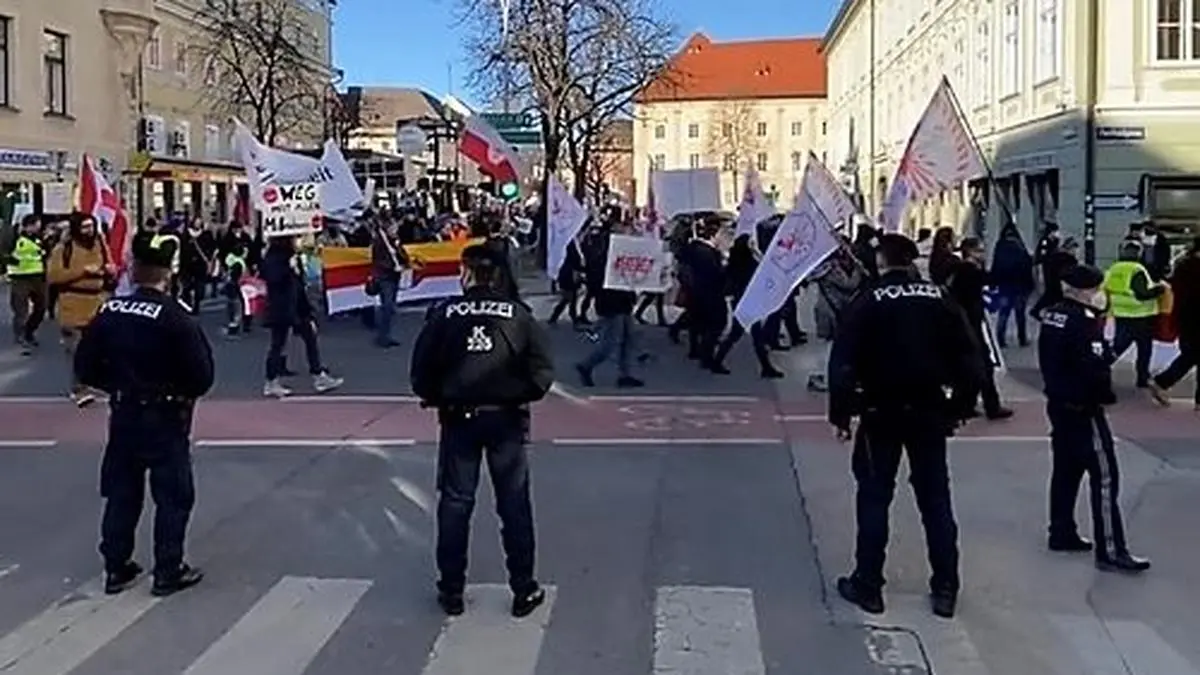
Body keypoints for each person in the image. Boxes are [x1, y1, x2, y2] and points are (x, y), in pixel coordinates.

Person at [828, 233, 982, 619]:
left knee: (875, 496)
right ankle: (945, 588)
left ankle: (868, 585)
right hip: (930, 410)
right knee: (935, 500)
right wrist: (960, 407)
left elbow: (843, 361)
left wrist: (842, 414)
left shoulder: (868, 301)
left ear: (881, 261)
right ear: (913, 261)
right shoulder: (941, 300)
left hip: (881, 411)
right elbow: (970, 357)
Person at [410, 243, 555, 618]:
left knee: (456, 505)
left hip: (459, 419)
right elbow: (542, 374)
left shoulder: (445, 314)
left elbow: (421, 373)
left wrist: (440, 395)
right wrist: (513, 394)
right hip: (506, 420)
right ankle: (524, 589)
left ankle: (452, 591)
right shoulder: (518, 315)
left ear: (468, 273)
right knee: (514, 506)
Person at [73, 233, 213, 597]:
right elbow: (201, 377)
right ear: (168, 272)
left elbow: (85, 368)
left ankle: (116, 567)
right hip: (166, 417)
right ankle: (168, 570)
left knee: (122, 492)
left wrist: (120, 384)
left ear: (133, 270)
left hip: (123, 414)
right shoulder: (176, 317)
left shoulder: (109, 312)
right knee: (173, 495)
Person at [1038, 264, 1151, 574]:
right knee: (1104, 477)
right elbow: (1095, 365)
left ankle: (1061, 531)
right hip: (1084, 409)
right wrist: (1105, 396)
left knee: (1065, 470)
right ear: (1085, 291)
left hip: (1059, 404)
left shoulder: (1053, 315)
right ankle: (1111, 549)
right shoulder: (1084, 323)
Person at [260, 235, 343, 397]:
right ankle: (271, 381)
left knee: (310, 337)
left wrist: (307, 310)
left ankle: (318, 375)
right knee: (277, 344)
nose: (298, 242)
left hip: (297, 307)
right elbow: (272, 277)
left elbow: (298, 285)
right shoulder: (274, 257)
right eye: (295, 239)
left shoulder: (293, 256)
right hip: (281, 308)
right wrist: (287, 267)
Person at [46, 213, 116, 407]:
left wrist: (110, 271)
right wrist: (83, 271)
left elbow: (110, 267)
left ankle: (95, 382)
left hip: (97, 304)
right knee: (77, 350)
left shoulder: (100, 244)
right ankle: (79, 389)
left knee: (99, 350)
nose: (89, 231)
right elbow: (53, 276)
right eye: (85, 227)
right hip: (73, 304)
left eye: (91, 226)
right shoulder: (64, 249)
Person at [948, 237, 1013, 420]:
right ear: (970, 252)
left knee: (975, 366)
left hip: (969, 322)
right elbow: (986, 285)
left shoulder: (964, 271)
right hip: (969, 324)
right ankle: (986, 406)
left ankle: (966, 405)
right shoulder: (968, 272)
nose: (983, 254)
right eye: (980, 251)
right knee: (981, 366)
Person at [1104, 241, 1165, 389]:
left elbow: (1106, 289)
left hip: (1121, 313)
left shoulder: (1113, 268)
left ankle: (1100, 366)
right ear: (1138, 253)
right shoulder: (1136, 269)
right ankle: (1142, 377)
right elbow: (1142, 294)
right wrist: (1159, 289)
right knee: (1144, 349)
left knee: (1119, 346)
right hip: (1141, 315)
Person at [1149, 236, 1200, 409]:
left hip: (1184, 316)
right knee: (1191, 356)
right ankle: (1162, 382)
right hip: (1195, 317)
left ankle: (1162, 382)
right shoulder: (1194, 267)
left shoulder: (1183, 265)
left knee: (1191, 355)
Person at [5, 214, 48, 352]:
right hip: (20, 277)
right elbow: (5, 253)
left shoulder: (40, 238)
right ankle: (21, 335)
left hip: (38, 276)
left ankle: (30, 330)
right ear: (30, 225)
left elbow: (44, 253)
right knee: (21, 309)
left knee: (41, 307)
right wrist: (9, 264)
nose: (39, 226)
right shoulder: (14, 237)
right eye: (37, 224)